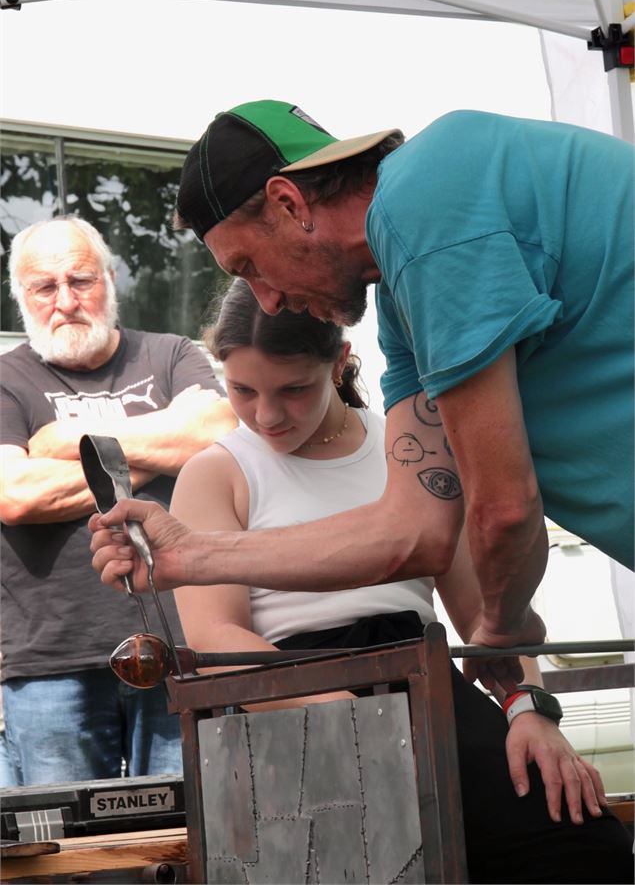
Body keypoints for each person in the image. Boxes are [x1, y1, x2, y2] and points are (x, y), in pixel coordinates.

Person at [90, 101, 634, 692]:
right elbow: (414, 531)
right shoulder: (406, 302)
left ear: (289, 203)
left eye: (249, 264)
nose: (266, 301)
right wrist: (185, 556)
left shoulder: (428, 199)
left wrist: (501, 628)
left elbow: (504, 508)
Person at [167, 278, 632, 884]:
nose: (267, 415)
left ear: (340, 363)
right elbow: (215, 641)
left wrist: (530, 710)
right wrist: (342, 706)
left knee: (578, 842)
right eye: (243, 390)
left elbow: (488, 614)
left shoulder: (407, 448)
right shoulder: (216, 472)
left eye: (294, 389)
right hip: (284, 692)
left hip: (421, 678)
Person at [0, 216, 236, 786]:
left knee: (191, 834)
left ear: (111, 280)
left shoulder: (172, 354)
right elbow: (13, 494)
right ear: (21, 300)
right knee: (68, 853)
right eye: (44, 287)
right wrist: (162, 449)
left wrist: (65, 447)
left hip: (183, 642)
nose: (65, 300)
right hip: (51, 657)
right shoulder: (6, 381)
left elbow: (220, 432)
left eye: (81, 280)